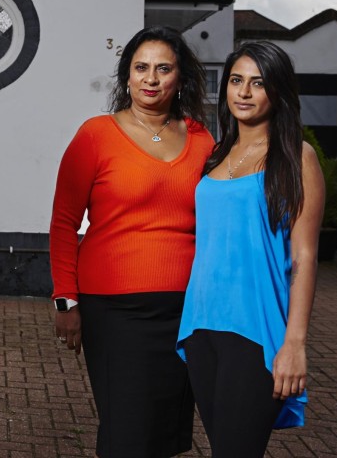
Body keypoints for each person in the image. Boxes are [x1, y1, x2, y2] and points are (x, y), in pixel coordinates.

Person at [49, 26, 214, 457]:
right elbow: (64, 223)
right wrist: (65, 301)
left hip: (186, 310)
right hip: (114, 310)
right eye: (141, 68)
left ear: (180, 78)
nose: (151, 79)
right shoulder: (96, 135)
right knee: (126, 433)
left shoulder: (202, 140)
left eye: (163, 69)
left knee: (165, 433)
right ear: (126, 76)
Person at [176, 41, 324, 458]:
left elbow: (305, 258)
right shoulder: (215, 156)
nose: (243, 92)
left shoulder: (296, 157)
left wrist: (294, 343)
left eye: (257, 83)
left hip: (256, 331)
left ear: (277, 92)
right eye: (236, 81)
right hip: (202, 326)